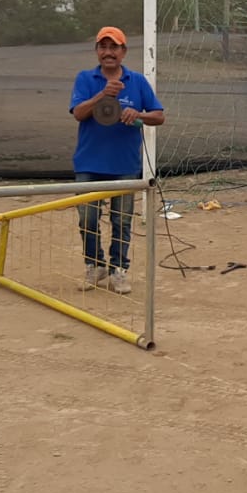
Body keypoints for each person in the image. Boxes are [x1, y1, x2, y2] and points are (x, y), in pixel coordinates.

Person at [69, 26, 166, 294]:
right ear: (97, 51)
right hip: (89, 164)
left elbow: (159, 116)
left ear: (123, 52)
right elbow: (78, 113)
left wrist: (138, 114)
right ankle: (95, 265)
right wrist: (103, 94)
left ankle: (118, 270)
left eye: (114, 47)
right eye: (103, 46)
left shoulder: (137, 81)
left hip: (124, 164)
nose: (108, 52)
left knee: (121, 221)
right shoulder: (85, 78)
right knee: (87, 219)